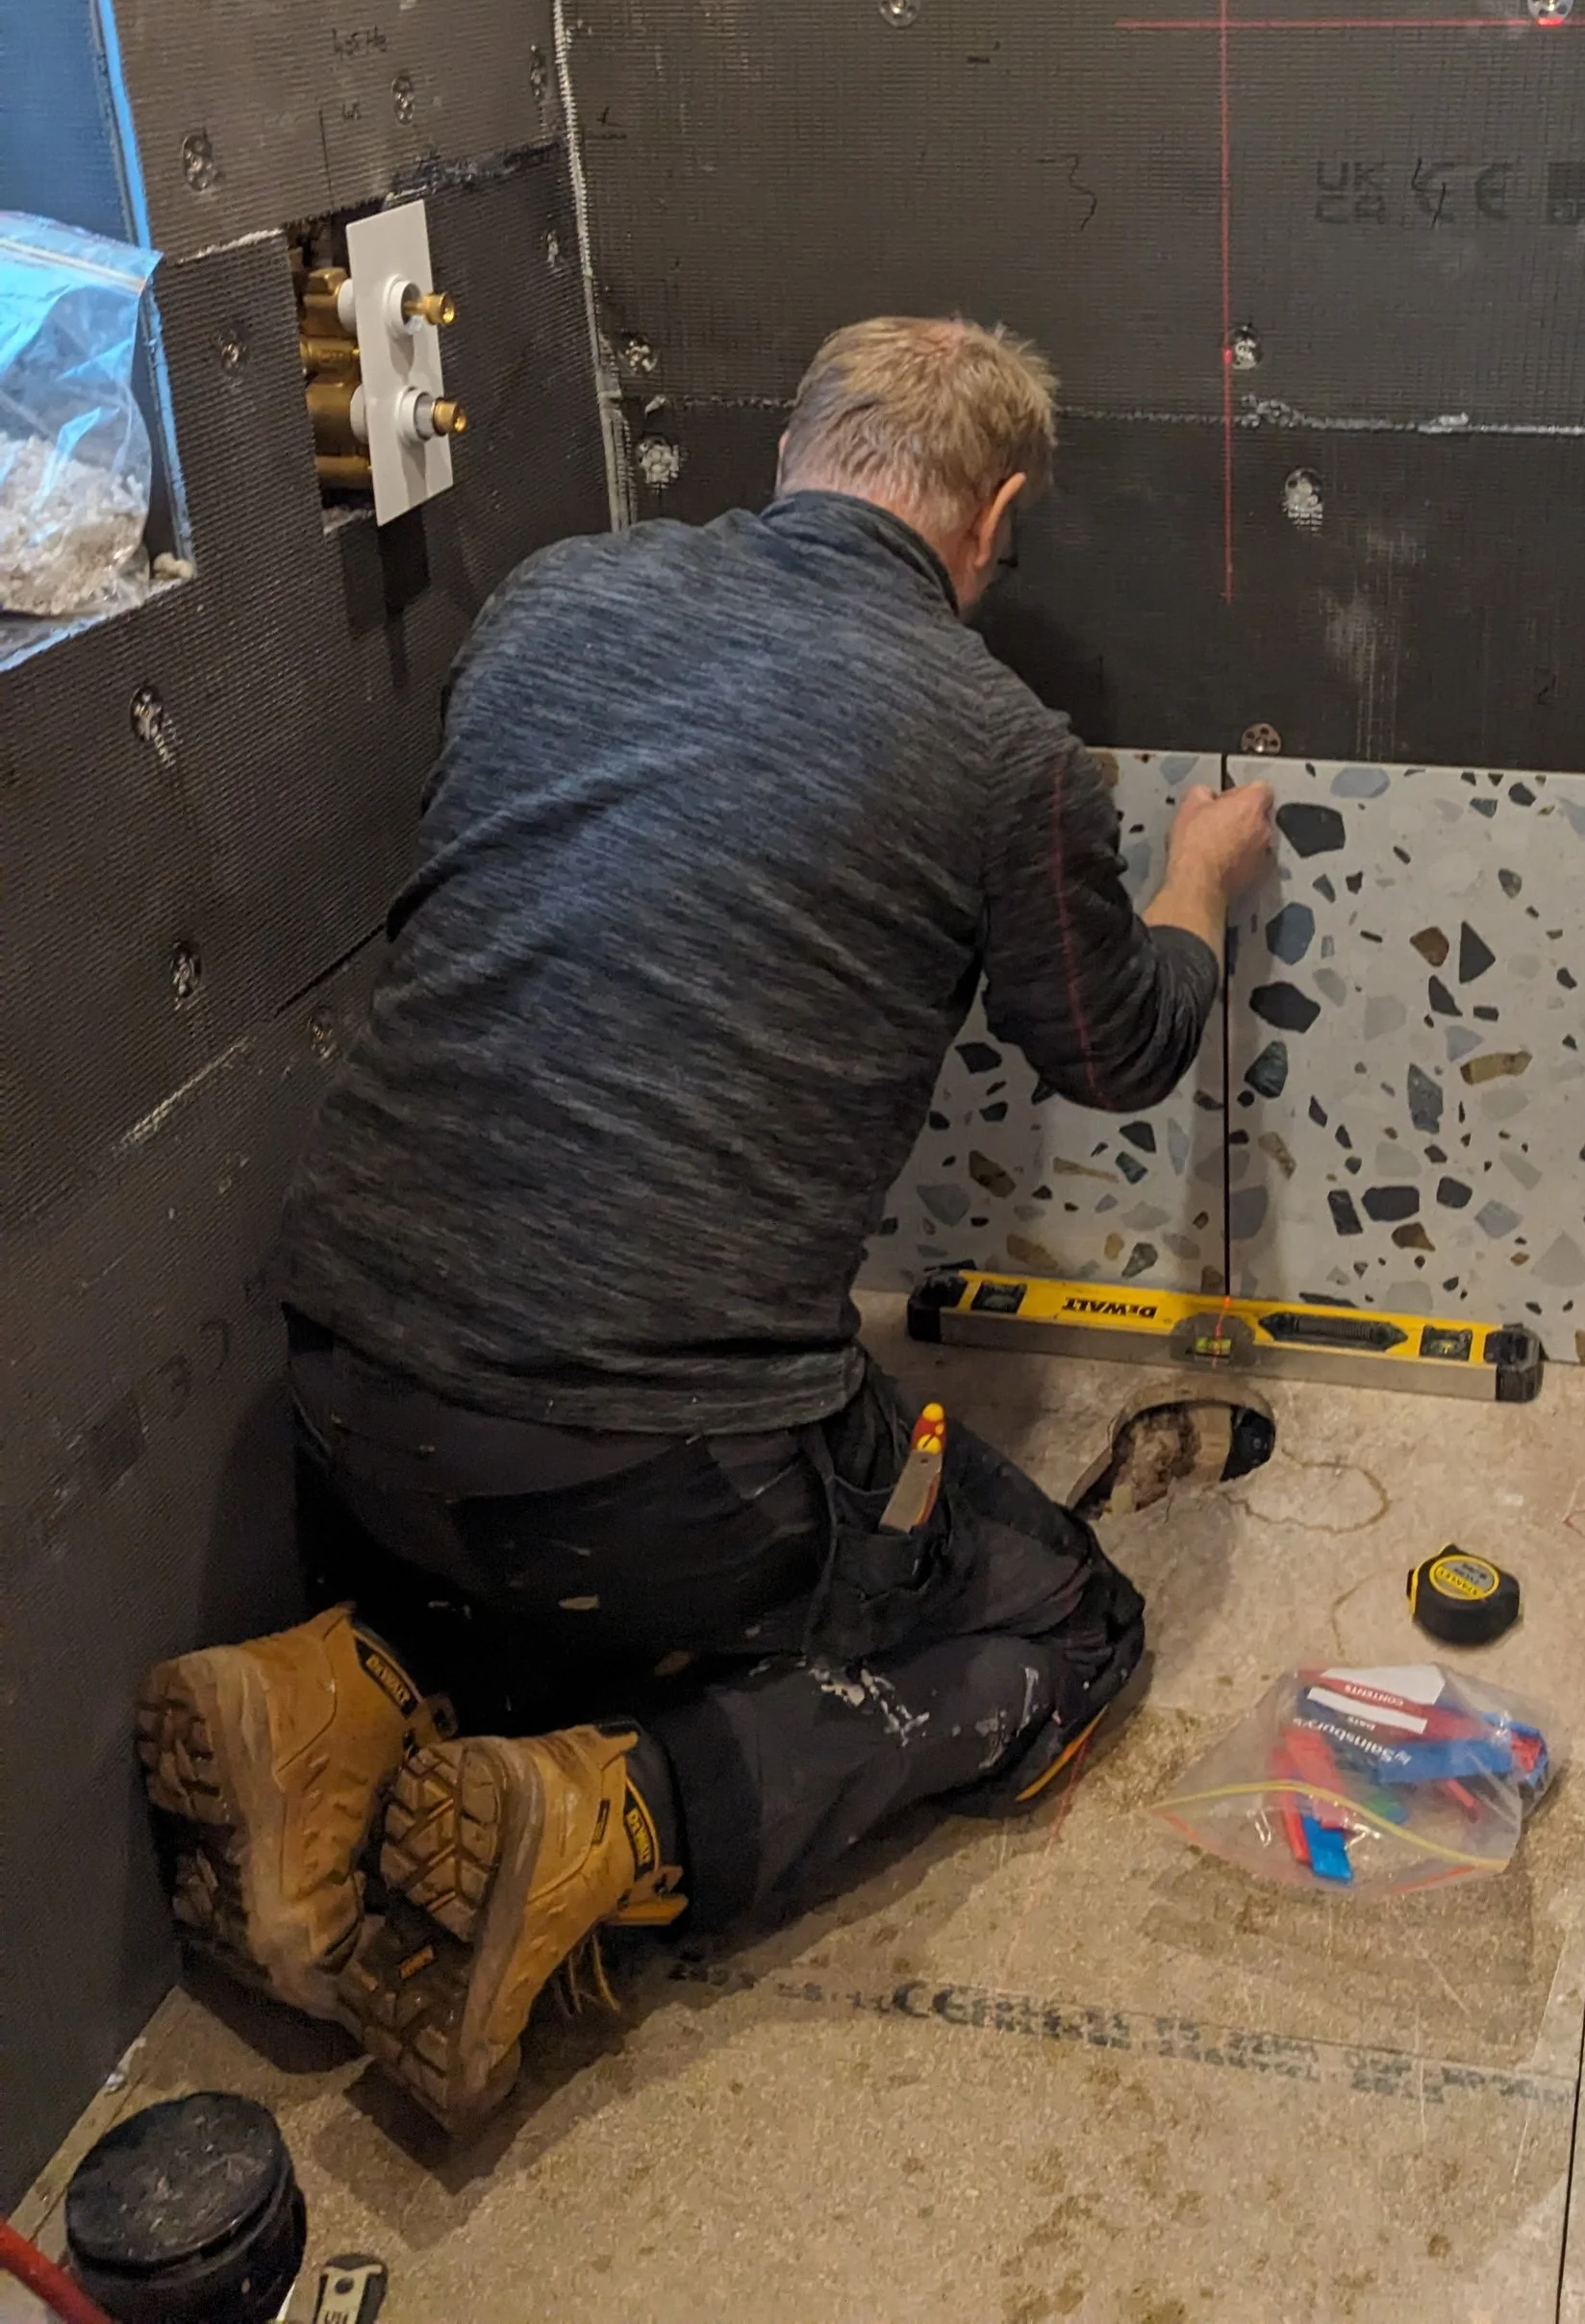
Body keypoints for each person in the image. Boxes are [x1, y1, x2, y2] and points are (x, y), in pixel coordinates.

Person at [136, 315, 1275, 2137]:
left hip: (344, 1399)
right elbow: (1125, 1041)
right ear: (989, 519)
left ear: (797, 451)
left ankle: (332, 1709)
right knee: (1060, 1626)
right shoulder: (1002, 747)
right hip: (638, 1478)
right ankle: (622, 1821)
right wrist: (1196, 883)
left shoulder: (554, 603)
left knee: (567, 1563)